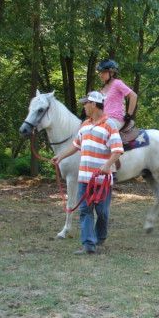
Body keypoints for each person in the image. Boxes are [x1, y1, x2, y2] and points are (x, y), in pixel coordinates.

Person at [52, 91, 124, 254]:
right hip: (84, 179)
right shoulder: (84, 125)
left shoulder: (109, 125)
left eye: (86, 103)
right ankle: (88, 245)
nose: (84, 106)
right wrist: (60, 156)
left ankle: (101, 237)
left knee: (102, 212)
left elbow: (118, 150)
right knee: (85, 210)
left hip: (102, 180)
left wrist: (107, 165)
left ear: (94, 104)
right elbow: (76, 145)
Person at [96, 59, 138, 131]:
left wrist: (129, 114)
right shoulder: (102, 88)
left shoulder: (117, 83)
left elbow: (133, 96)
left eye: (103, 72)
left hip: (116, 119)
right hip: (104, 119)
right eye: (100, 72)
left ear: (112, 73)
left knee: (101, 131)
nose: (101, 74)